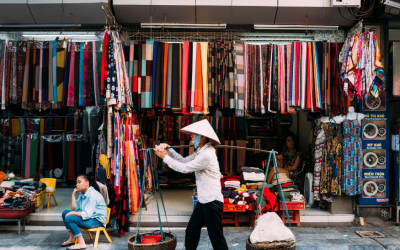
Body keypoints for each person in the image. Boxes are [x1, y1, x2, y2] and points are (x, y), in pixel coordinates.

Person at [154, 119, 228, 250]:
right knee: (192, 230)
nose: (191, 137)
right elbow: (183, 160)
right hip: (204, 199)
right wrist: (169, 150)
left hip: (212, 201)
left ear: (202, 136)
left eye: (194, 134)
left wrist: (165, 157)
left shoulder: (206, 154)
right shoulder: (200, 151)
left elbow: (185, 168)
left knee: (216, 236)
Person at [60, 174, 107, 250]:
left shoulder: (93, 194)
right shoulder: (83, 194)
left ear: (87, 183)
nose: (77, 184)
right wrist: (73, 195)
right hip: (90, 218)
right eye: (76, 183)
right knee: (65, 213)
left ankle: (81, 243)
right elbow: (74, 209)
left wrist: (72, 213)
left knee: (69, 217)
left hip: (96, 221)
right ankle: (72, 238)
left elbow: (87, 214)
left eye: (79, 182)